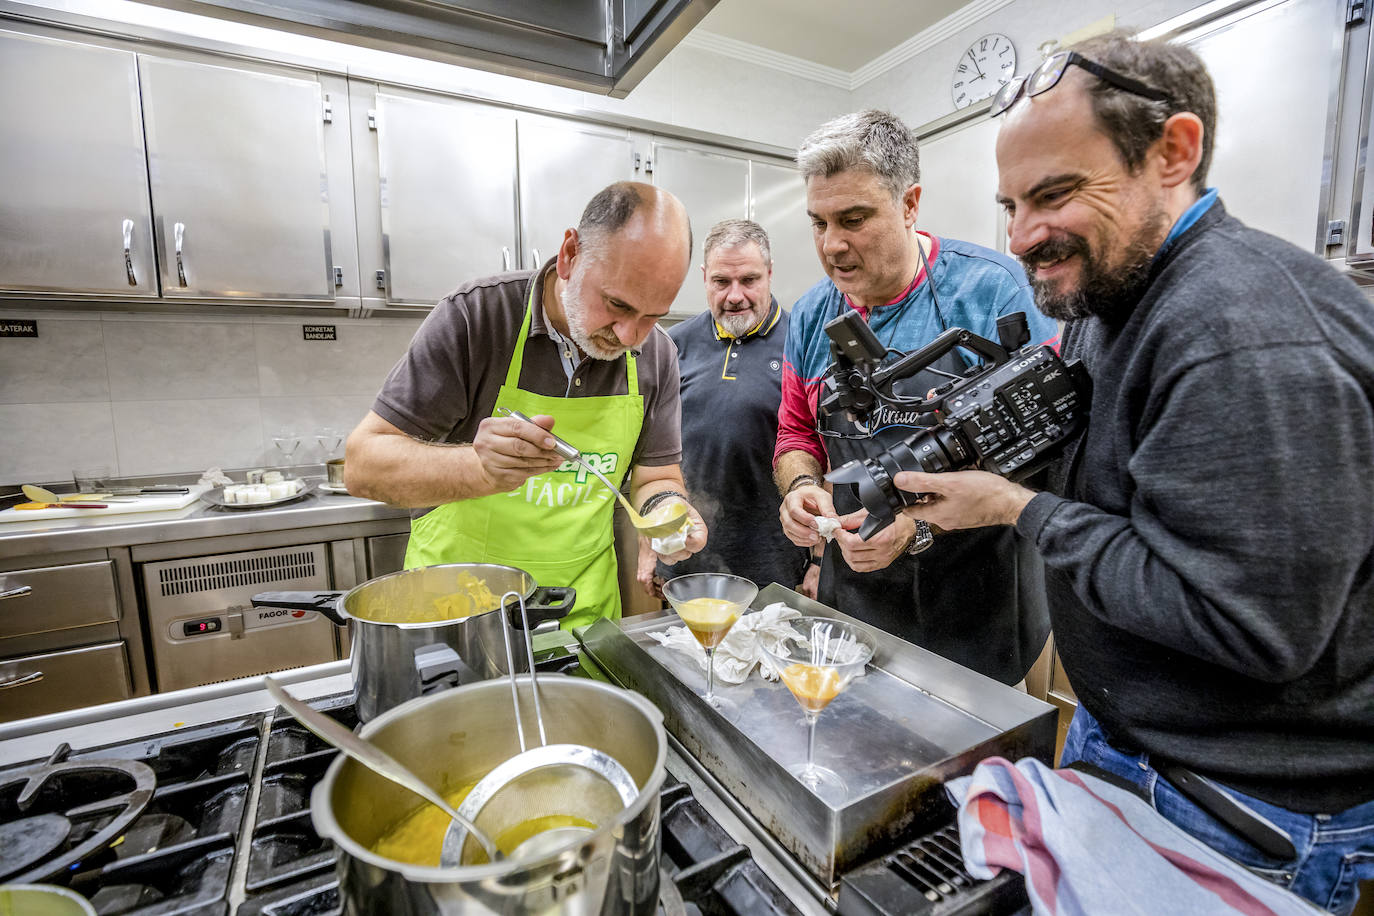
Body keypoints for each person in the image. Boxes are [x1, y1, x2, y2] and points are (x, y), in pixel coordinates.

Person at [894, 34, 1374, 914]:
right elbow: (1101, 463)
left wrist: (1018, 509)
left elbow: (1247, 622)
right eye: (1011, 205)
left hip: (1241, 809)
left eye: (1057, 194)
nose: (1024, 237)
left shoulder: (1240, 334)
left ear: (1173, 152)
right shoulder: (1112, 293)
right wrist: (946, 495)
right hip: (1129, 746)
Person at [773, 109, 1059, 684]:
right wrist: (803, 488)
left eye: (854, 219)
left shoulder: (991, 291)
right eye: (819, 223)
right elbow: (796, 434)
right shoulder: (810, 316)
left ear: (909, 204)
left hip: (979, 603)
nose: (832, 246)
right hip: (856, 603)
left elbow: (1048, 447)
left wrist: (917, 525)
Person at [346, 181, 708, 630]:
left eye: (654, 315)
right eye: (616, 304)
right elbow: (362, 466)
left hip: (583, 624)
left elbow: (658, 476)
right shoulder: (476, 318)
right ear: (570, 254)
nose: (631, 336)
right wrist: (479, 469)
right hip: (459, 620)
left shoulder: (657, 354)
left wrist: (667, 509)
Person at [638, 219, 808, 598]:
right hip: (685, 554)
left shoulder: (802, 343)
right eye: (721, 282)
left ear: (769, 274)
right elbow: (650, 453)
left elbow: (824, 456)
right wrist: (654, 540)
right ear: (703, 278)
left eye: (748, 280)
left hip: (776, 561)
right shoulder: (672, 345)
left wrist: (818, 560)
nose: (735, 296)